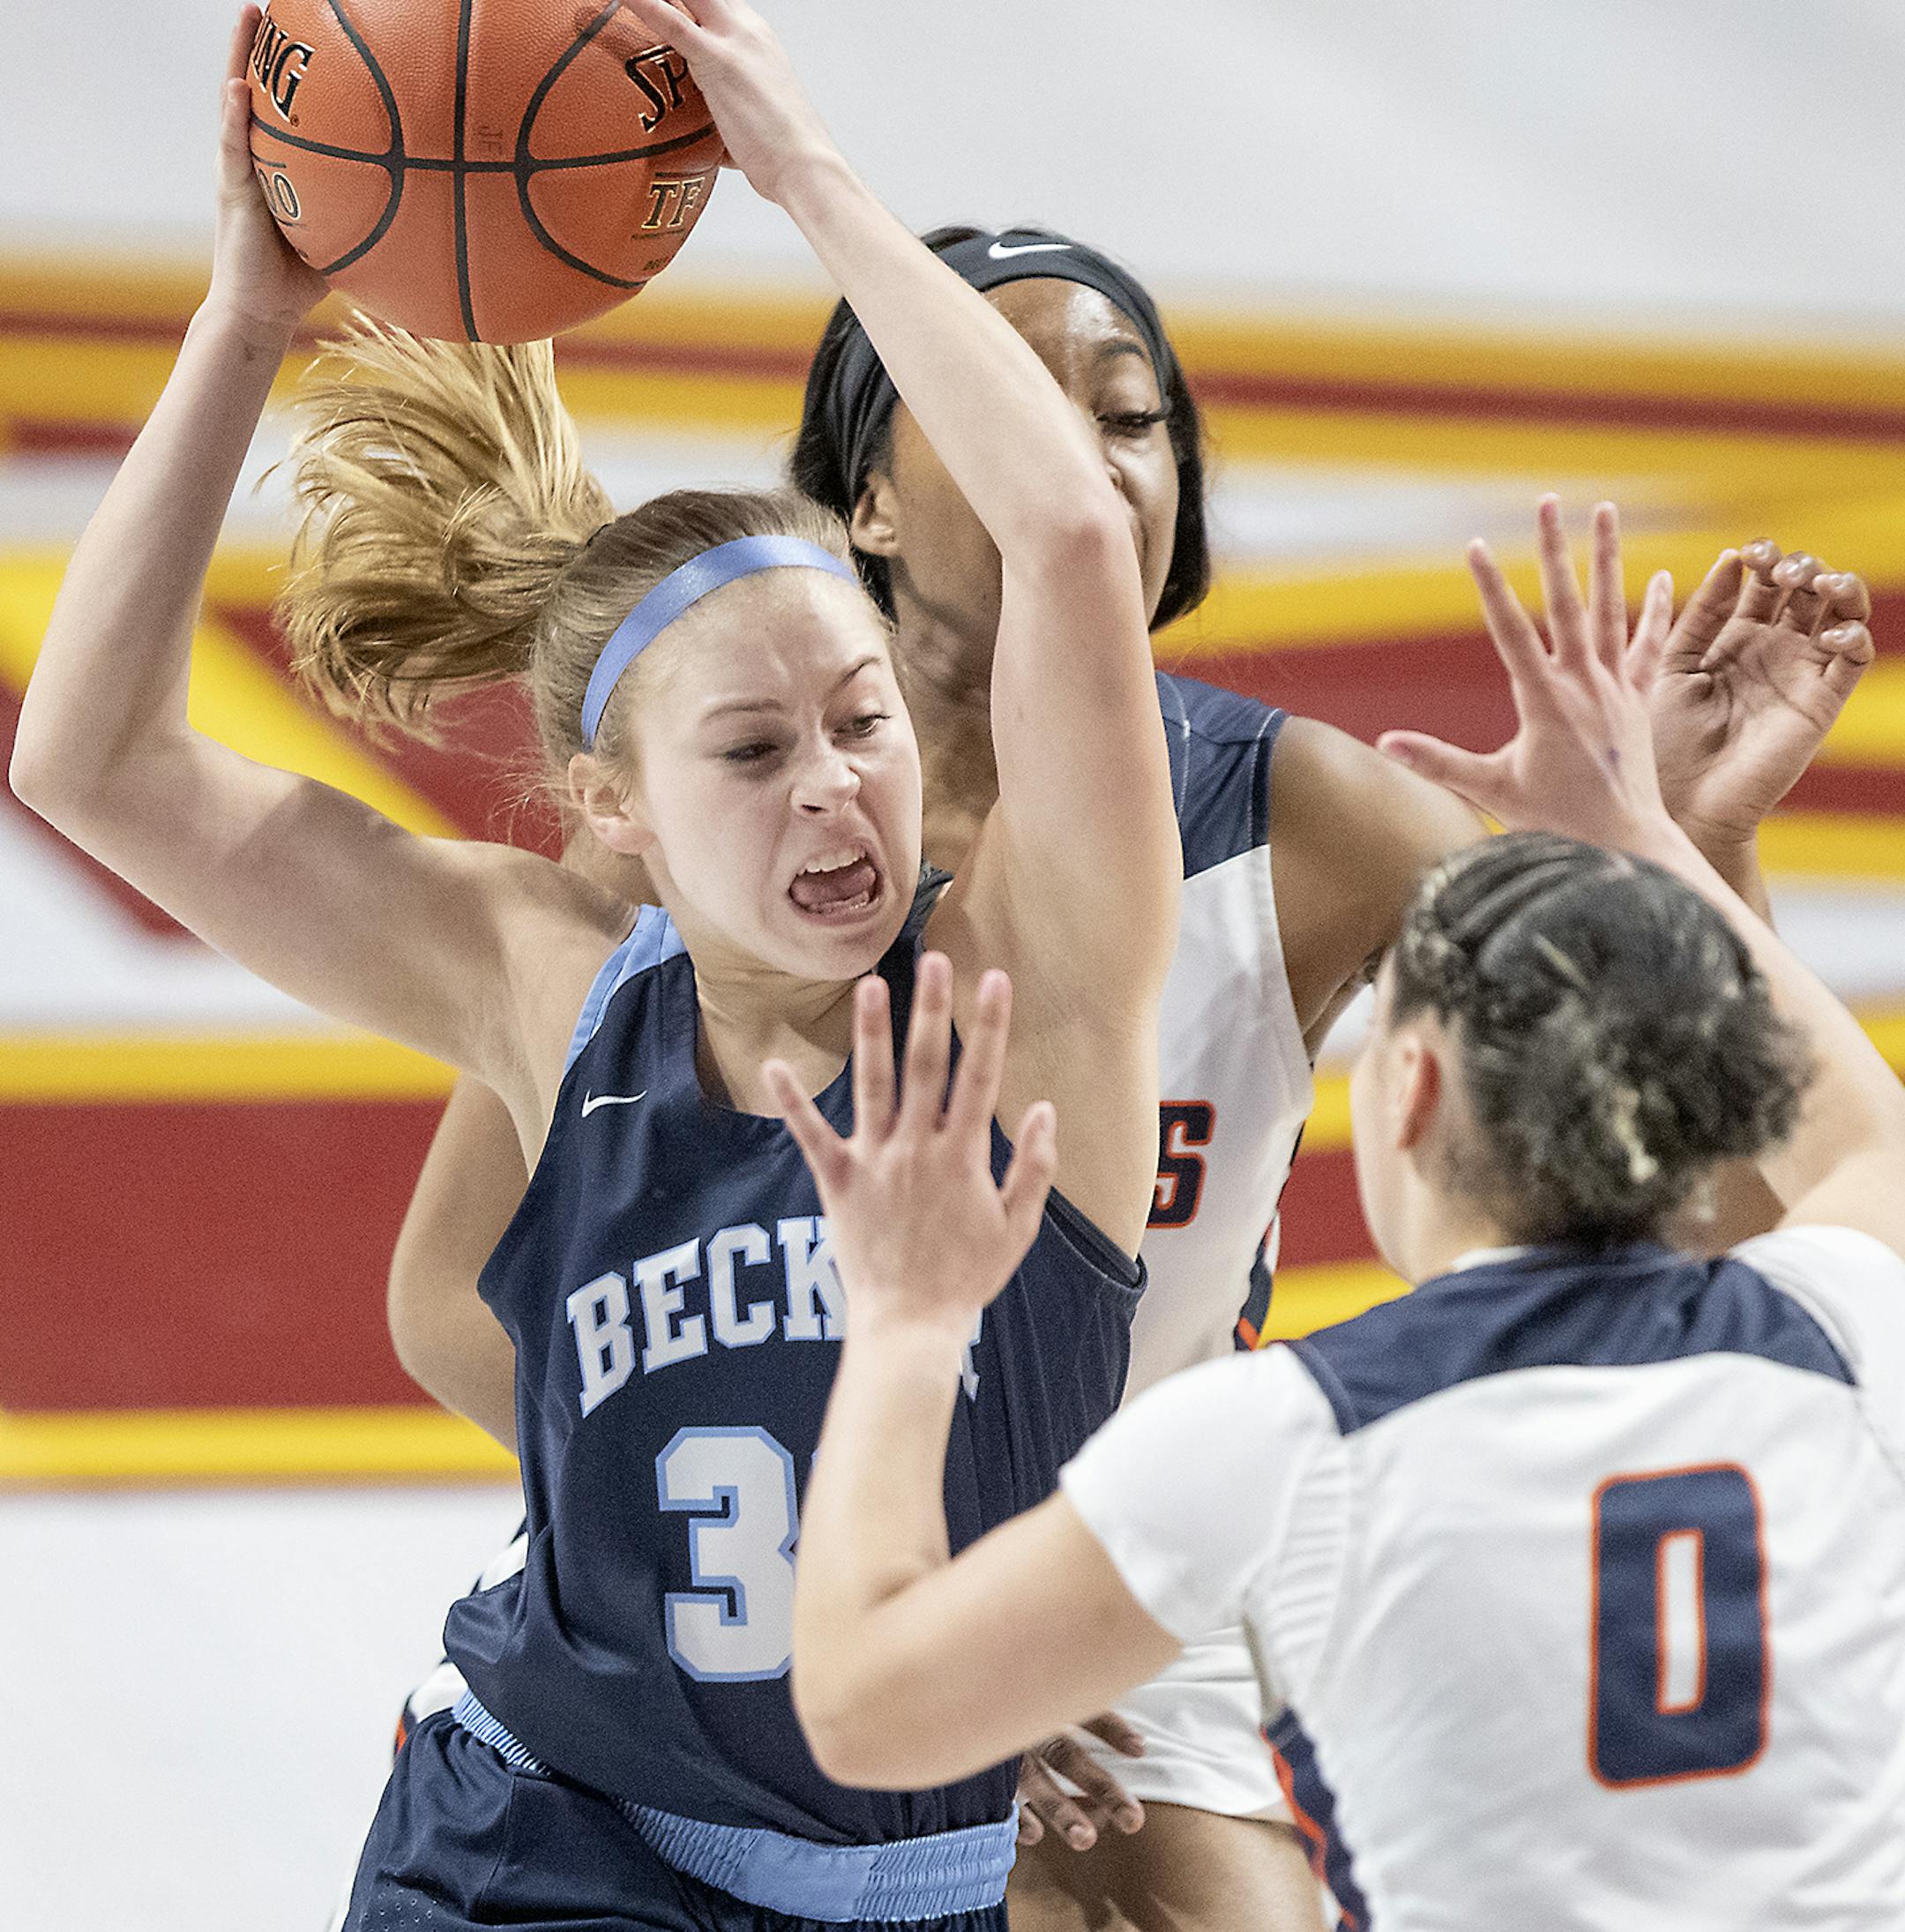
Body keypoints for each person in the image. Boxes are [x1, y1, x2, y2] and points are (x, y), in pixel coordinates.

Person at [373, 234, 1875, 1926]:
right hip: (782, 1593)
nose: (1085, 461)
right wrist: (773, 1543)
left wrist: (1685, 849)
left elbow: (1709, 1170)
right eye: (1015, 404)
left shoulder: (1301, 815)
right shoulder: (730, 850)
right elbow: (450, 1301)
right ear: (866, 499)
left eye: (1134, 415)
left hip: (1157, 1527)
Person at [11, 0, 1181, 1932]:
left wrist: (803, 166)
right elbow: (94, 763)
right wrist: (246, 324)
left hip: (914, 1888)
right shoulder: (552, 984)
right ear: (613, 814)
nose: (834, 786)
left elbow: (1072, 532)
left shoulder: (1040, 999)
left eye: (864, 722)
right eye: (752, 754)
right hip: (543, 1852)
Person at [781, 502, 1903, 1930]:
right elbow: (1857, 1128)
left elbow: (867, 1712)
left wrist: (907, 1322)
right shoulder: (1842, 1331)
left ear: (1412, 1086)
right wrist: (1653, 841)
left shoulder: (1286, 1438)